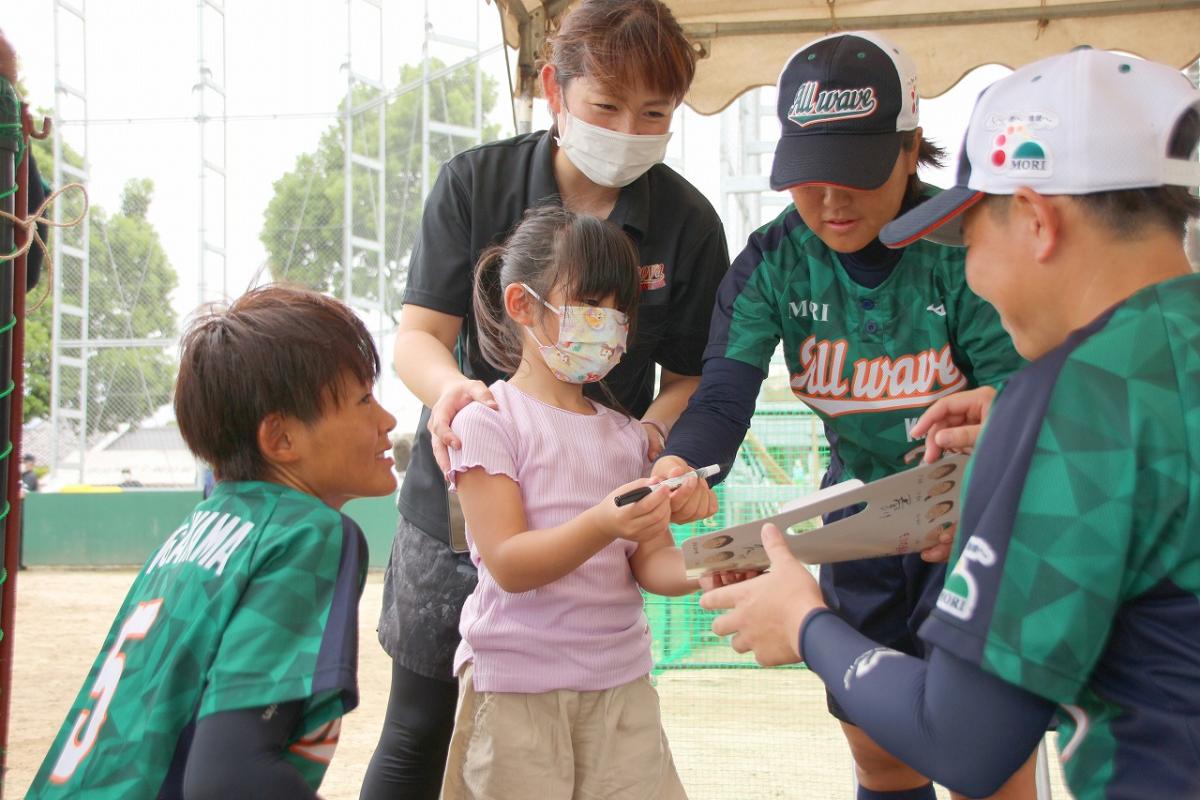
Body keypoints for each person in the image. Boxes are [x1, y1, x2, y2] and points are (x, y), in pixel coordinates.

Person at [700, 47, 1200, 800]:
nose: (966, 273)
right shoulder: (1150, 367)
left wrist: (804, 622)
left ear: (1034, 219)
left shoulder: (1075, 403)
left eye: (968, 239)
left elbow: (965, 742)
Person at [362, 1, 729, 796]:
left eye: (654, 113)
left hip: (604, 504)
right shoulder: (474, 183)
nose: (629, 128)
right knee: (420, 726)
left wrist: (650, 448)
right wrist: (459, 394)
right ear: (552, 88)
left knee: (601, 737)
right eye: (605, 105)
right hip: (465, 487)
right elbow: (419, 336)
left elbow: (694, 375)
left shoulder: (688, 221)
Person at [654, 31, 1029, 800]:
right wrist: (683, 464)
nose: (830, 200)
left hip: (974, 517)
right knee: (881, 751)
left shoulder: (967, 247)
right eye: (808, 176)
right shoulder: (772, 262)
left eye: (854, 173)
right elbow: (725, 392)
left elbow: (1019, 394)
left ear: (909, 147)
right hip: (859, 516)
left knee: (984, 761)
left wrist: (993, 448)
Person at [26, 286, 398, 799]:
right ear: (282, 439)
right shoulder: (305, 533)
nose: (387, 420)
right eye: (363, 400)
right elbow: (229, 779)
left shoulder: (201, 524)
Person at [439, 206, 740, 799]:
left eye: (618, 311)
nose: (607, 324)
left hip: (622, 685)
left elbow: (650, 563)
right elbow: (509, 563)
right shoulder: (487, 423)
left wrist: (715, 561)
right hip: (517, 690)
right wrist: (603, 521)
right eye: (589, 304)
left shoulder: (629, 437)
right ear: (523, 305)